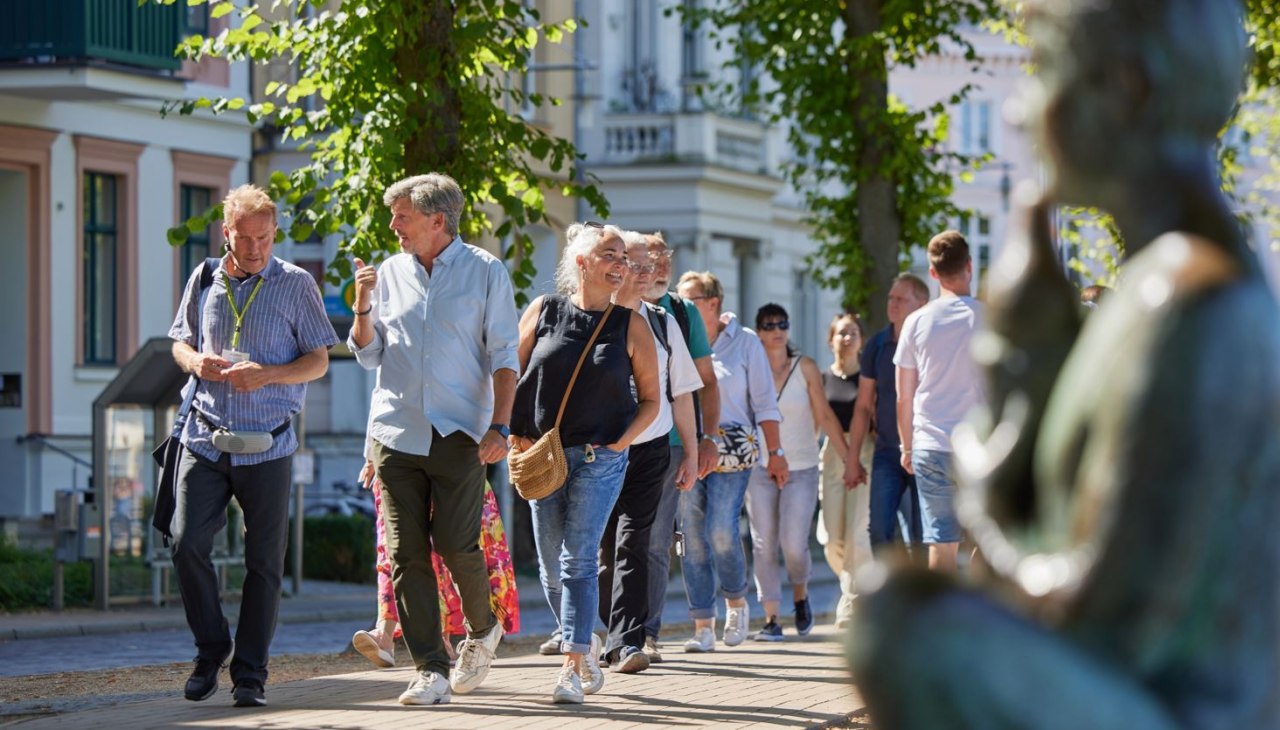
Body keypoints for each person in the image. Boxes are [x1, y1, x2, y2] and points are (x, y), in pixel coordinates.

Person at [851, 1, 1280, 726]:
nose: (1021, 111)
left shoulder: (1187, 305)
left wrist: (982, 496)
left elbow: (1094, 613)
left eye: (1047, 70)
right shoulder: (1167, 291)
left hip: (1182, 711)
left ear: (1127, 86)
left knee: (898, 622)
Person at [348, 173, 519, 706]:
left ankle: (482, 626)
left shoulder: (485, 272)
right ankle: (430, 669)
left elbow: (505, 358)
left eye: (402, 216)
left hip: (460, 434)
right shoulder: (389, 274)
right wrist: (362, 307)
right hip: (396, 434)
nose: (393, 225)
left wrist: (501, 427)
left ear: (437, 220)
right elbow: (368, 354)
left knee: (453, 543)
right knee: (404, 553)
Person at [168, 184, 338, 707]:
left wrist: (268, 377)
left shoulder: (295, 284)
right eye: (245, 239)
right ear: (227, 234)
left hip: (268, 444)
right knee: (185, 543)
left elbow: (319, 360)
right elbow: (179, 341)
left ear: (274, 233)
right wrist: (195, 363)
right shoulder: (203, 278)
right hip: (205, 436)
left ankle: (250, 675)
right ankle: (210, 647)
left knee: (264, 564)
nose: (256, 248)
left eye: (264, 238)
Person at [512, 222, 660, 704]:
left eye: (624, 258)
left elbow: (653, 401)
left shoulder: (630, 324)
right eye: (610, 256)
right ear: (581, 263)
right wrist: (511, 433)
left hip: (601, 459)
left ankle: (573, 664)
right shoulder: (544, 311)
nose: (621, 265)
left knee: (578, 560)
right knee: (551, 569)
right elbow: (513, 375)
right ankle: (585, 640)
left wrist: (621, 445)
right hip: (543, 456)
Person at [594, 232, 702, 674]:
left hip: (651, 448)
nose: (645, 274)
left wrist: (693, 452)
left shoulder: (663, 322)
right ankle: (601, 631)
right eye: (635, 265)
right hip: (598, 450)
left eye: (648, 266)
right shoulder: (592, 316)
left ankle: (629, 639)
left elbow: (682, 395)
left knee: (636, 542)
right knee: (601, 550)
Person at [675, 271, 786, 652]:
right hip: (688, 447)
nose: (681, 305)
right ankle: (703, 625)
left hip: (732, 450)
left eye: (688, 299)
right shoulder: (678, 338)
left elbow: (765, 403)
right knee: (691, 537)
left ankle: (736, 603)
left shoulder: (746, 343)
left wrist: (777, 453)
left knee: (720, 530)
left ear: (712, 303)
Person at [637, 232, 720, 663]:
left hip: (669, 442)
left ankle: (646, 633)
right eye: (651, 256)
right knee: (612, 541)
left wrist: (704, 440)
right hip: (616, 442)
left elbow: (703, 383)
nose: (661, 264)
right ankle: (613, 630)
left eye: (665, 256)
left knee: (655, 540)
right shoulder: (615, 306)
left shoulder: (682, 314)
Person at [350, 457, 519, 669]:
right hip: (397, 462)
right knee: (393, 552)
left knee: (444, 553)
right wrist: (372, 452)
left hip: (450, 463)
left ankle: (441, 640)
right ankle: (384, 634)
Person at [746, 303, 848, 641]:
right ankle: (772, 618)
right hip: (759, 467)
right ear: (758, 331)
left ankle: (800, 596)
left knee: (792, 542)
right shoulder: (751, 366)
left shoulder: (805, 367)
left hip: (802, 466)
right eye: (768, 324)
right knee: (763, 544)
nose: (776, 330)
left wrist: (848, 457)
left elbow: (825, 415)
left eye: (782, 324)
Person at [894, 232, 984, 572]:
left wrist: (906, 446)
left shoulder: (916, 322)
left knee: (940, 541)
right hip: (978, 445)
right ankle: (982, 614)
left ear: (933, 273)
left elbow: (904, 394)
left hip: (930, 443)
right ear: (969, 266)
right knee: (986, 540)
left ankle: (942, 620)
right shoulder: (989, 317)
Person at [845, 275, 930, 567]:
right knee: (879, 530)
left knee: (924, 536)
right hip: (887, 453)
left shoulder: (930, 343)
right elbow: (863, 406)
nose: (892, 304)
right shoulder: (877, 346)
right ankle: (897, 592)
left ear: (922, 303)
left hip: (925, 450)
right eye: (891, 298)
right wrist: (852, 459)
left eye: (901, 299)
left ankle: (926, 603)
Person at [815, 312, 871, 628]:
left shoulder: (868, 378)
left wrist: (857, 457)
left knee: (857, 535)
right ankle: (857, 583)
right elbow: (818, 421)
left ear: (861, 340)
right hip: (832, 455)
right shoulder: (823, 379)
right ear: (831, 339)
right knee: (832, 538)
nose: (847, 338)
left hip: (866, 453)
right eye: (841, 333)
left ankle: (850, 604)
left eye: (853, 333)